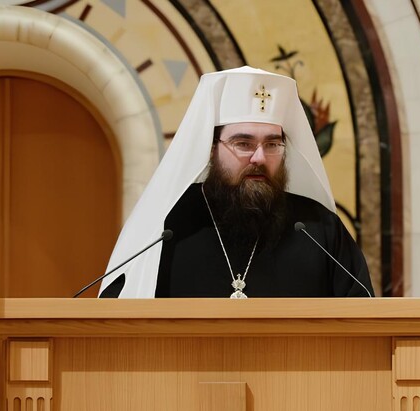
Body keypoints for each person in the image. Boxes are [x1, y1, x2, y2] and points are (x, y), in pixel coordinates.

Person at [98, 66, 373, 298]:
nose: (259, 157)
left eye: (272, 144)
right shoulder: (165, 224)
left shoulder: (318, 230)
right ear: (211, 148)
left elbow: (364, 320)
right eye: (243, 143)